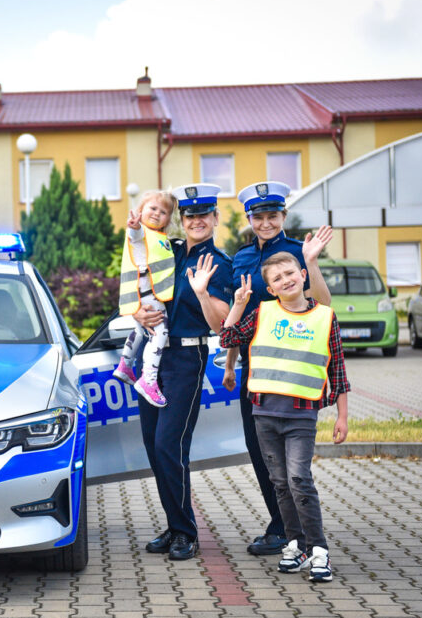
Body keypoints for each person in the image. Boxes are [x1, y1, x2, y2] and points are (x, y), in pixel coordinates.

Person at [217, 251, 349, 582]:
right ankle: (296, 545)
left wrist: (342, 417)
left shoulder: (325, 317)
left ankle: (319, 551)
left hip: (301, 416)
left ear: (303, 275)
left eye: (290, 273)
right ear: (271, 289)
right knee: (280, 483)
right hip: (264, 414)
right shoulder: (261, 313)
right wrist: (238, 304)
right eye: (277, 279)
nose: (285, 280)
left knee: (299, 480)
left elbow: (338, 370)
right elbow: (227, 338)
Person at [225, 181, 334, 556]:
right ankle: (285, 526)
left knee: (292, 462)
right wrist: (231, 365)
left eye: (273, 215)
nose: (266, 223)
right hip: (254, 370)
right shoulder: (241, 258)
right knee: (260, 451)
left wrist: (312, 263)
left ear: (283, 216)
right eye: (259, 217)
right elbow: (239, 314)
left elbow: (323, 305)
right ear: (249, 219)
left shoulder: (299, 252)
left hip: (290, 370)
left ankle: (291, 532)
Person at [132, 183, 233, 561]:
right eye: (189, 215)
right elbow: (135, 281)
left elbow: (222, 324)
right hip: (151, 357)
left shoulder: (219, 263)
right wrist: (136, 312)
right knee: (153, 447)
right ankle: (175, 525)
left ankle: (186, 532)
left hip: (187, 358)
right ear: (182, 219)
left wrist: (203, 292)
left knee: (169, 446)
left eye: (204, 215)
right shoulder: (166, 249)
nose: (196, 221)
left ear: (215, 218)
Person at [113, 190, 177, 407]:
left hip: (144, 293)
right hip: (150, 294)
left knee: (140, 330)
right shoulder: (142, 233)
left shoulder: (159, 238)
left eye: (163, 212)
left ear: (168, 219)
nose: (157, 214)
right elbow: (136, 235)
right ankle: (148, 379)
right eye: (153, 208)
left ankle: (125, 365)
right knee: (160, 332)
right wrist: (134, 226)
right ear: (140, 211)